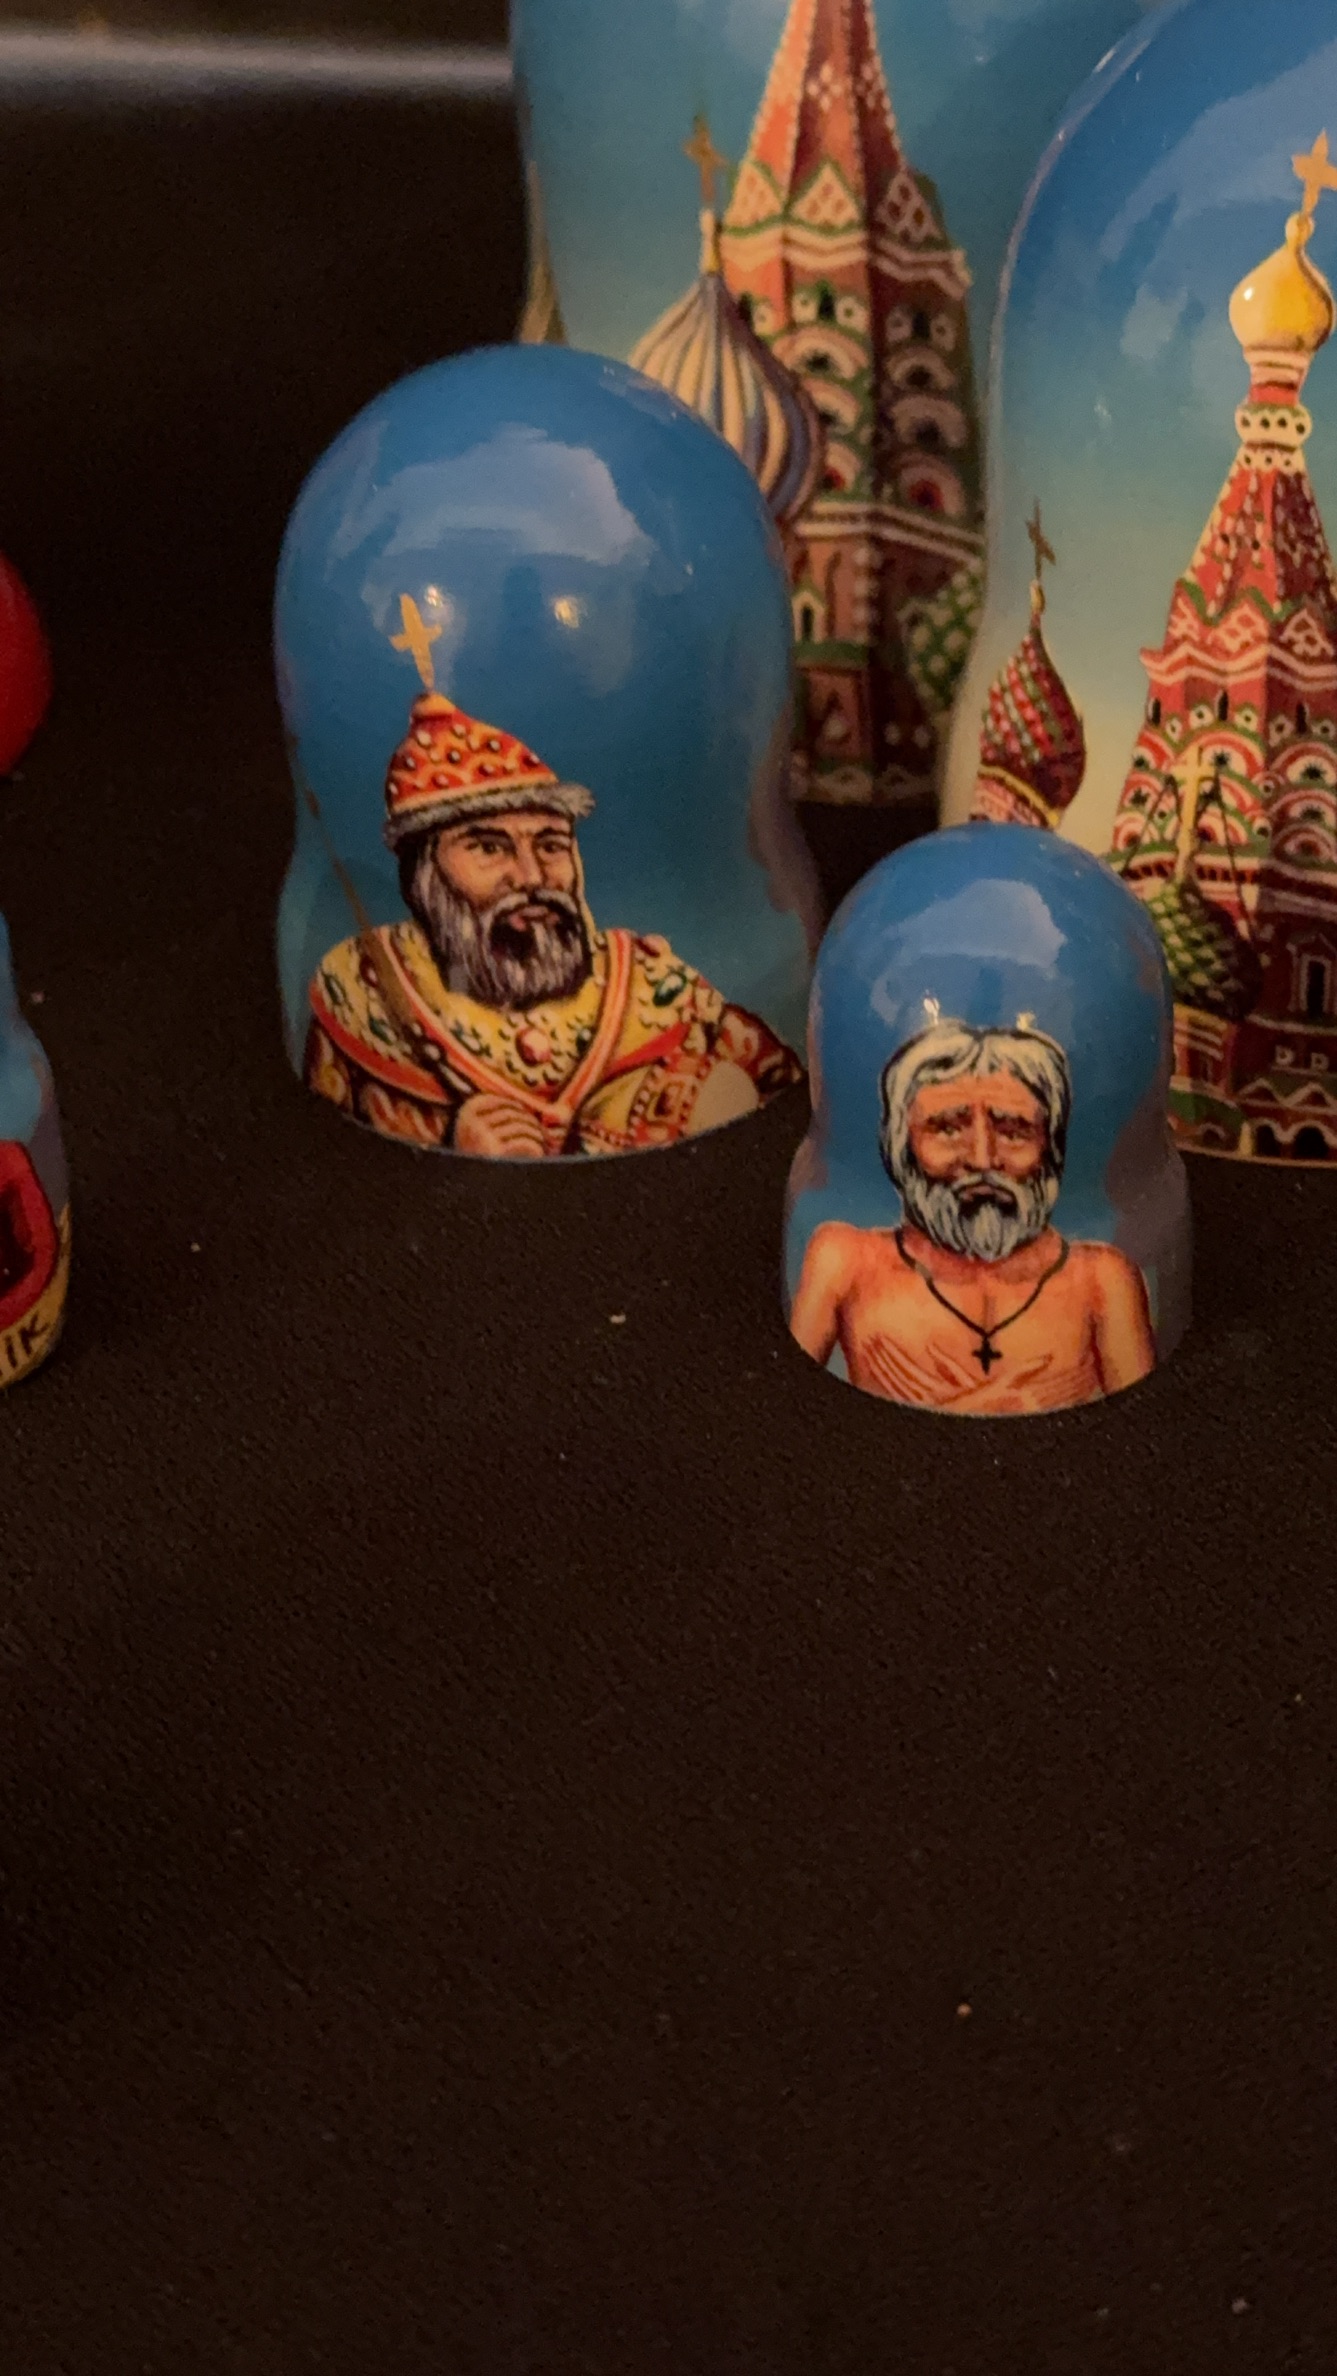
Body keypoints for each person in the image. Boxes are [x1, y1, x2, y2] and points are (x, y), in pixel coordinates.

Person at [305, 693, 801, 1157]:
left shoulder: (648, 986)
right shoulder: (367, 993)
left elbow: (774, 1089)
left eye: (551, 845)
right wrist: (456, 1142)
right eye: (489, 847)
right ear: (425, 875)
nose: (531, 876)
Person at [790, 1019, 1156, 1413]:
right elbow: (789, 1409)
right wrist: (993, 1403)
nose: (982, 1159)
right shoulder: (845, 1262)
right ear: (901, 1143)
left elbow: (1140, 1425)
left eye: (1013, 1131)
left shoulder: (1102, 1280)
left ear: (1049, 1146)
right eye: (948, 1129)